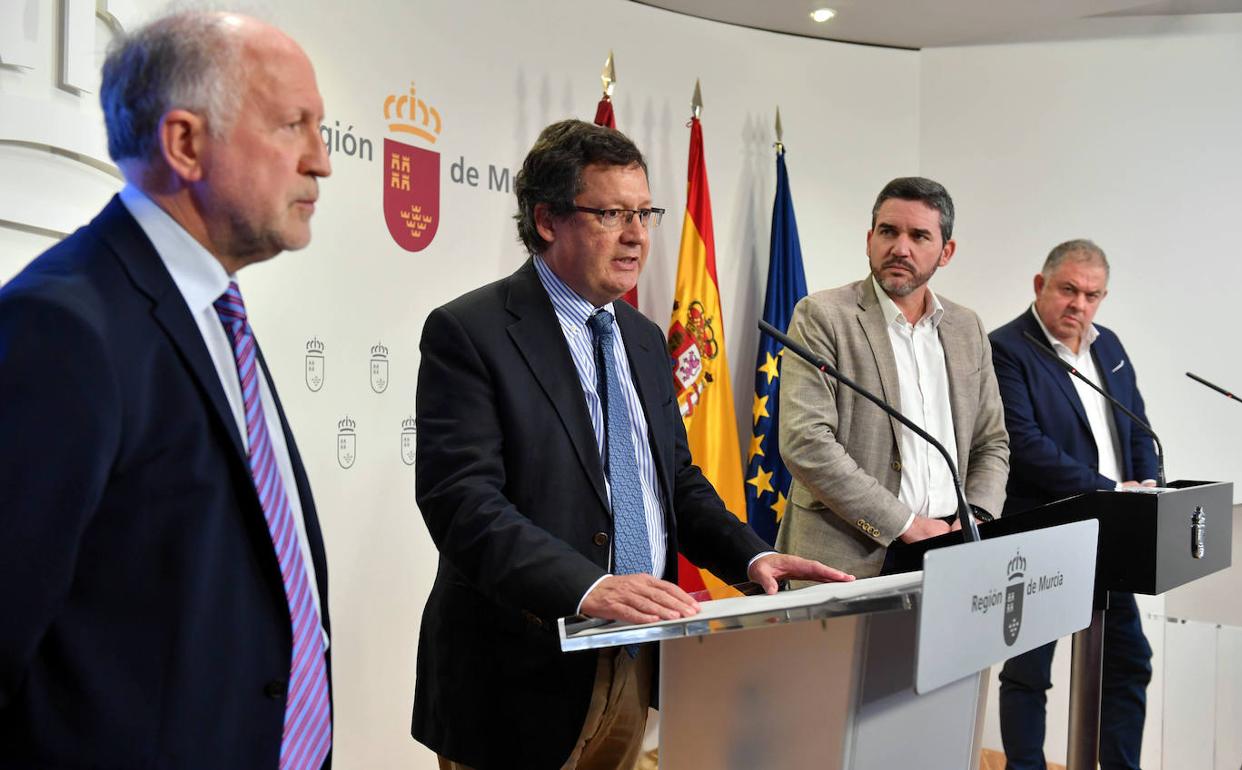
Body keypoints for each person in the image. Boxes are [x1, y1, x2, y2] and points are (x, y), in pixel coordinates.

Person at [411, 119, 852, 770]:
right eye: (612, 213)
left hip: (636, 657)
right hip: (519, 672)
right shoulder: (470, 333)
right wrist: (588, 587)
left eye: (645, 212)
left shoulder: (644, 339)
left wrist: (751, 557)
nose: (637, 235)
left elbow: (674, 481)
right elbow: (463, 505)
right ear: (547, 221)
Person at [0, 12, 333, 768]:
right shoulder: (64, 329)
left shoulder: (215, 311)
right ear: (185, 143)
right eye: (293, 126)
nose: (322, 161)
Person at [775, 176, 1009, 578]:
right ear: (869, 239)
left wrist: (977, 516)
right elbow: (806, 442)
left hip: (953, 546)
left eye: (919, 236)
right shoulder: (823, 316)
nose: (900, 248)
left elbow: (991, 441)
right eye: (888, 231)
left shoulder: (966, 328)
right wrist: (906, 524)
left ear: (946, 251)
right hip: (849, 554)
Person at [990, 239, 1156, 770]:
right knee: (1029, 671)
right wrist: (1111, 490)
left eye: (1092, 294)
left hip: (1114, 533)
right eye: (1068, 290)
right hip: (1044, 533)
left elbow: (1136, 427)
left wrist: (1147, 485)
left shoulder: (1109, 347)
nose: (1078, 304)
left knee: (1128, 664)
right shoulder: (1007, 348)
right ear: (1040, 286)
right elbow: (1026, 445)